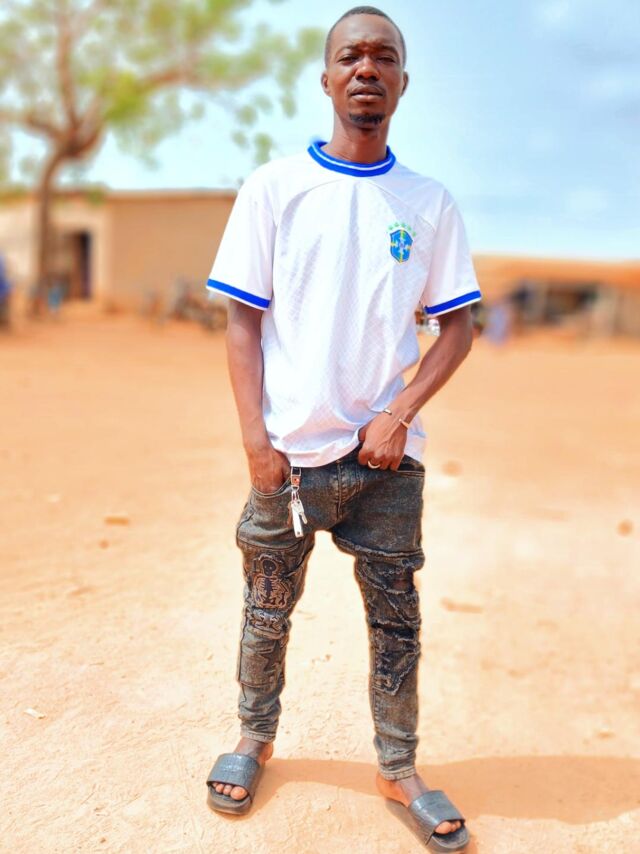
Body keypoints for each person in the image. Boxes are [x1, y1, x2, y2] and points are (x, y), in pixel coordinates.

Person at [205, 7, 481, 851]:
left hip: (385, 464)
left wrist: (398, 413)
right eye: (351, 57)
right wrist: (256, 444)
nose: (367, 68)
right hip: (287, 460)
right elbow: (242, 323)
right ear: (326, 80)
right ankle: (254, 739)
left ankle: (397, 767)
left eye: (384, 57)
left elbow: (458, 329)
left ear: (402, 82)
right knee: (266, 611)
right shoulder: (275, 188)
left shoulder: (428, 204)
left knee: (397, 623)